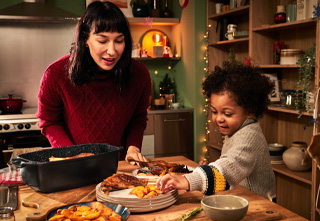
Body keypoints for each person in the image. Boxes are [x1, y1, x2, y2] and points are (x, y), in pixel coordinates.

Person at [36, 1, 151, 163]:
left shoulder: (139, 74)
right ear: (85, 38)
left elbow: (138, 118)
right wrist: (71, 155)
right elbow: (49, 122)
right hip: (73, 166)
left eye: (119, 41)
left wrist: (133, 148)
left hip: (117, 166)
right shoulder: (55, 74)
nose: (112, 51)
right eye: (102, 41)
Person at [157, 62, 276, 201]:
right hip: (242, 199)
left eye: (227, 114)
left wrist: (188, 181)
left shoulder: (250, 136)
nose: (218, 118)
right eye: (214, 111)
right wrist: (208, 170)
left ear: (250, 111)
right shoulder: (238, 130)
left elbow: (230, 167)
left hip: (260, 205)